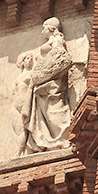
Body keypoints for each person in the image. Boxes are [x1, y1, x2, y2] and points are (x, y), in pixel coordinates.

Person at [14, 18, 74, 156]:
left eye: (44, 28)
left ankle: (61, 139)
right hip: (43, 84)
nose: (42, 32)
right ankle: (48, 141)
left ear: (51, 28)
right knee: (46, 112)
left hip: (51, 82)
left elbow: (61, 59)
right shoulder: (50, 41)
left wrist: (43, 74)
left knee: (53, 111)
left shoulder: (57, 41)